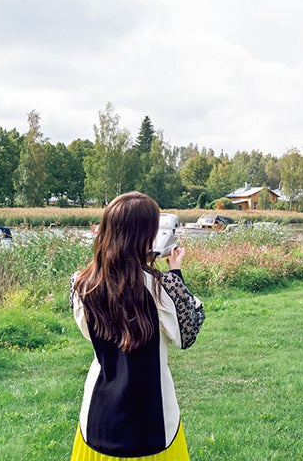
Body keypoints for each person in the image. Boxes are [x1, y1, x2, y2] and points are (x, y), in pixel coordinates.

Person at [70, 191, 204, 460]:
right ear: (146, 236)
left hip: (98, 418)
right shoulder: (163, 287)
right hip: (155, 421)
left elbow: (88, 333)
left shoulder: (81, 283)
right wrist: (175, 273)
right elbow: (187, 332)